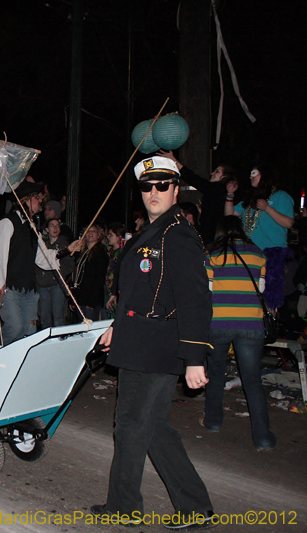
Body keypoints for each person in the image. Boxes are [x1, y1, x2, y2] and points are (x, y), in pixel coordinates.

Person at [92, 156, 215, 530]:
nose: (154, 193)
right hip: (139, 340)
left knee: (130, 423)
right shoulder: (153, 231)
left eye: (163, 185)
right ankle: (194, 508)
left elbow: (195, 298)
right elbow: (136, 292)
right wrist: (117, 326)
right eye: (147, 187)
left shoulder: (176, 234)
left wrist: (195, 359)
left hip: (158, 344)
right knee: (153, 427)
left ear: (176, 189)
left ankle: (124, 506)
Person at [203, 216, 276, 451]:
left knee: (215, 373)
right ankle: (263, 437)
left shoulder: (212, 254)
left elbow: (208, 289)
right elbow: (262, 288)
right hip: (251, 324)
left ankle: (213, 422)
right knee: (252, 380)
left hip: (219, 322)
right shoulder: (258, 254)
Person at [226, 164, 295, 312]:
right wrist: (230, 196)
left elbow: (289, 223)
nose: (251, 177)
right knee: (248, 293)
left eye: (254, 173)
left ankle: (268, 329)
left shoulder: (280, 196)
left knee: (270, 297)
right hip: (249, 253)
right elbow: (229, 216)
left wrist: (268, 209)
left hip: (271, 254)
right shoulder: (250, 199)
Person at [0, 180, 45, 345]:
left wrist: (67, 250)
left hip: (30, 290)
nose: (40, 201)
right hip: (10, 289)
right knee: (15, 326)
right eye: (37, 198)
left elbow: (43, 258)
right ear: (27, 200)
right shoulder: (7, 223)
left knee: (28, 330)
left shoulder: (33, 227)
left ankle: (18, 363)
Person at [157, 150, 236, 244]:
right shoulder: (216, 192)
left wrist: (175, 161)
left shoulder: (219, 188)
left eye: (217, 172)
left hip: (214, 238)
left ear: (224, 176)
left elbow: (194, 179)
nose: (212, 173)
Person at [35, 218, 75, 329]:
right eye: (52, 225)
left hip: (57, 285)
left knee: (58, 317)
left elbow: (69, 264)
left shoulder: (64, 245)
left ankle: (59, 340)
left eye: (57, 226)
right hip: (43, 285)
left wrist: (59, 275)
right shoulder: (41, 244)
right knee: (44, 317)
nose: (55, 228)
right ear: (47, 229)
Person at [69, 222, 109, 321]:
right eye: (88, 231)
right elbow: (78, 278)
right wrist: (73, 299)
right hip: (81, 298)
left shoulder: (100, 253)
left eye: (93, 231)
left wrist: (92, 302)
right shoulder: (83, 253)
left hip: (90, 300)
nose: (90, 233)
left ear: (99, 235)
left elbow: (100, 278)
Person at [104, 224, 127, 318]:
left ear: (119, 237)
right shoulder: (111, 252)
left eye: (111, 235)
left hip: (115, 289)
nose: (108, 237)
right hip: (108, 289)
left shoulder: (121, 253)